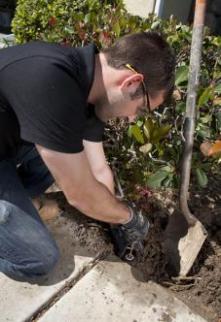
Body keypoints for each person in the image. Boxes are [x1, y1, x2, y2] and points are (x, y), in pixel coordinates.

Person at [0, 31, 175, 280]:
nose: (133, 118)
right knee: (38, 259)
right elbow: (80, 195)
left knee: (66, 154)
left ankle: (16, 205)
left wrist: (115, 222)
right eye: (141, 108)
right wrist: (130, 217)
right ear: (132, 83)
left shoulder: (88, 88)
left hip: (5, 145)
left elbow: (98, 170)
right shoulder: (52, 79)